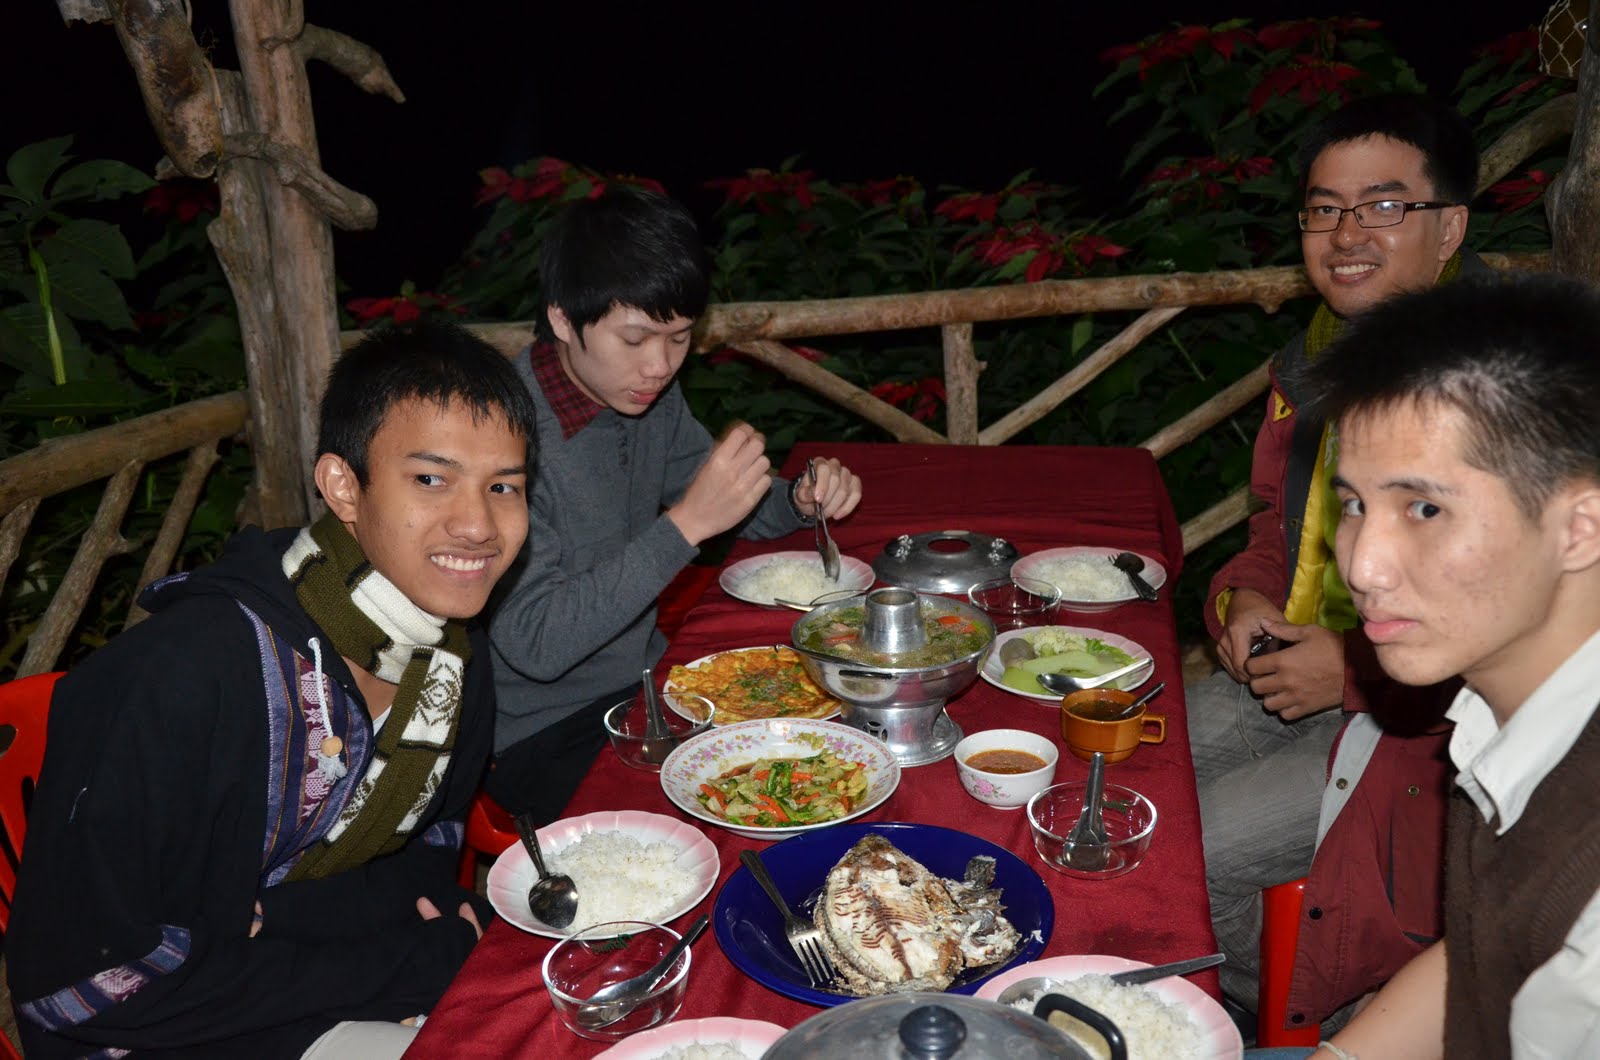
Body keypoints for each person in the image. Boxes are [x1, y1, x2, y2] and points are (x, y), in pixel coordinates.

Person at [7, 320, 539, 1059]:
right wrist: (405, 964)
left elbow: (430, 848)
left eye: (503, 486)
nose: (478, 524)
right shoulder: (180, 678)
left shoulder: (451, 661)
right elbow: (88, 984)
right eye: (431, 479)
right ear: (343, 486)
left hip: (301, 981)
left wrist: (283, 920)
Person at [1187, 92, 1485, 1026]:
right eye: (1325, 209)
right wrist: (1242, 602)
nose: (1348, 233)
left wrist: (1353, 673)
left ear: (1449, 229)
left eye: (1384, 205)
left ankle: (1287, 1021)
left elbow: (1542, 623)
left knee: (1203, 848)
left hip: (1437, 732)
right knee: (1132, 766)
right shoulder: (1317, 363)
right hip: (1313, 667)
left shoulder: (1500, 389)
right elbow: (1274, 526)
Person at [1255, 272, 1600, 1059]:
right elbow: (1489, 955)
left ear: (1580, 528)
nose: (1362, 566)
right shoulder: (1506, 707)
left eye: (1425, 509)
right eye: (1354, 504)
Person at [484, 187, 862, 820]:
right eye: (634, 339)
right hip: (544, 733)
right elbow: (537, 645)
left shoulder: (644, 399)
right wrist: (684, 526)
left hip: (650, 685)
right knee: (752, 805)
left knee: (830, 740)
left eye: (680, 338)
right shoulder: (499, 438)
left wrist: (799, 498)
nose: (659, 366)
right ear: (562, 320)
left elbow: (731, 506)